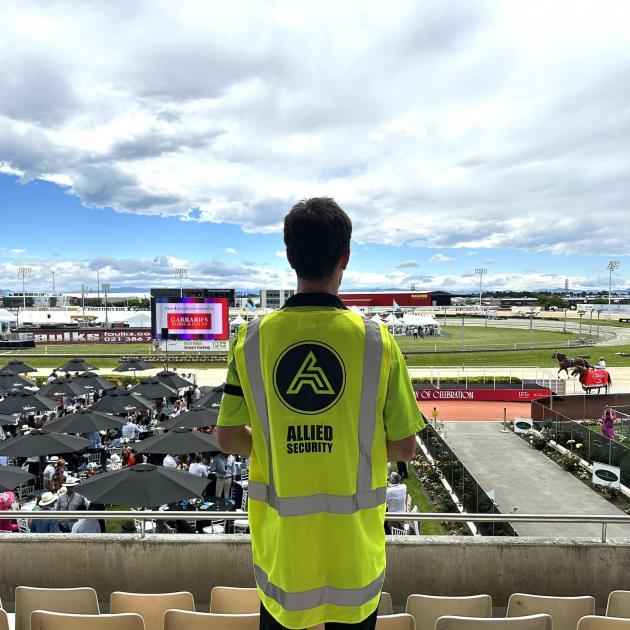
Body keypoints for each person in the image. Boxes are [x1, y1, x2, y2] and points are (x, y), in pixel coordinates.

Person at [217, 197, 423, 630]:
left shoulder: (250, 340)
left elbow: (229, 438)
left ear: (290, 257)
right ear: (345, 257)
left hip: (284, 563)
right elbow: (404, 447)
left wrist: (279, 445)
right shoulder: (378, 342)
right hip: (354, 564)